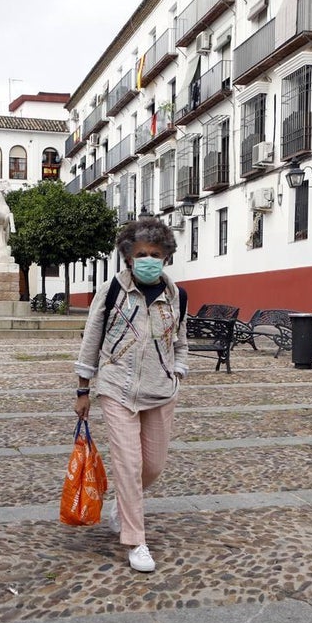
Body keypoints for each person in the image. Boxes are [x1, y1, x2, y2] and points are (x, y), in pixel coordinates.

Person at [74, 216, 187, 573]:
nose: (149, 259)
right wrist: (83, 388)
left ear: (165, 256)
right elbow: (92, 340)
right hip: (116, 388)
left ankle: (122, 504)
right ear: (128, 257)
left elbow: (181, 342)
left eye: (155, 253)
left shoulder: (176, 296)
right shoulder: (111, 291)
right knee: (129, 463)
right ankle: (136, 540)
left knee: (153, 466)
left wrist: (178, 372)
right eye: (141, 254)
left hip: (160, 390)